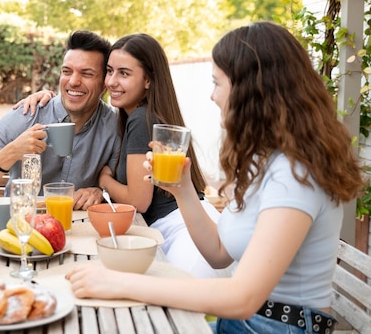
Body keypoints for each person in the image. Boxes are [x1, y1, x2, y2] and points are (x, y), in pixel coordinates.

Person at [65, 22, 364, 334]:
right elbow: (219, 254)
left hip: (276, 326)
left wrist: (123, 283)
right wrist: (182, 189)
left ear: (250, 91)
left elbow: (244, 298)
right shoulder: (264, 162)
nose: (211, 96)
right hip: (246, 321)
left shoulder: (294, 173)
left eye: (217, 83)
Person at [100, 33, 225, 277]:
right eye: (109, 70)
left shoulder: (140, 118)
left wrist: (103, 180)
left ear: (148, 80)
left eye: (124, 73)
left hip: (185, 237)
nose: (112, 81)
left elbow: (139, 200)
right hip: (198, 223)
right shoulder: (150, 115)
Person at [0, 30, 121, 210]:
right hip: (20, 225)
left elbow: (122, 187)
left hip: (83, 228)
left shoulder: (115, 126)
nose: (73, 81)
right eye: (67, 71)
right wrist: (11, 152)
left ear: (104, 84)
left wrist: (100, 192)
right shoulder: (26, 115)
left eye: (87, 74)